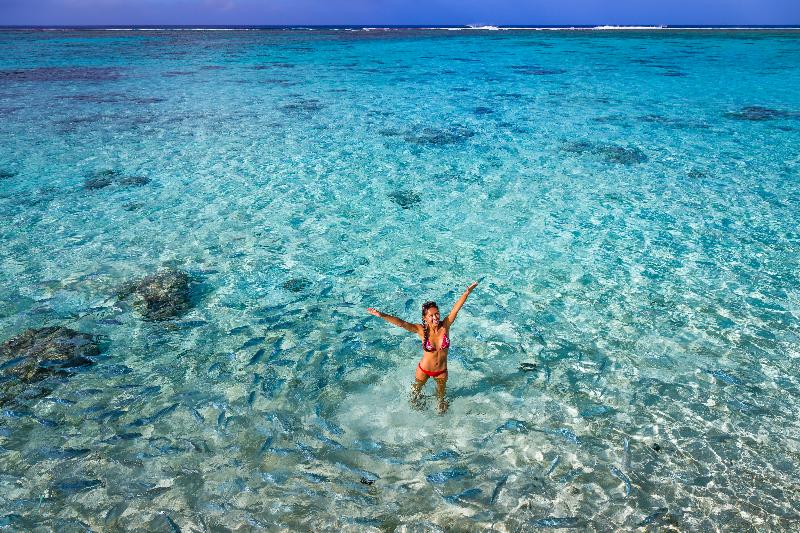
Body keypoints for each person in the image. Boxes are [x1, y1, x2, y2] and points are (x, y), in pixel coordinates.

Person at [367, 281, 479, 413]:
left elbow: (455, 309)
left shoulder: (445, 326)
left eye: (437, 313)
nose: (435, 317)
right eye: (431, 315)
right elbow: (402, 323)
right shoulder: (420, 330)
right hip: (424, 370)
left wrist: (467, 292)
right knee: (414, 398)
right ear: (425, 318)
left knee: (441, 401)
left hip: (442, 371)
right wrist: (382, 315)